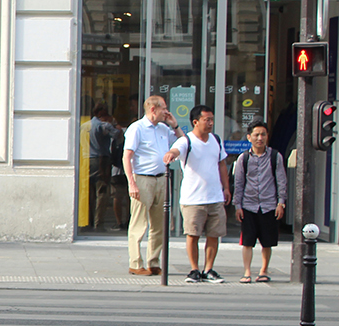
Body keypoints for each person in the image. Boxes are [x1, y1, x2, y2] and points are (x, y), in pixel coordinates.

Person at [163, 105, 231, 284]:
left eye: (211, 119)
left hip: (215, 196)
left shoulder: (216, 140)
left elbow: (222, 164)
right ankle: (194, 269)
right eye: (206, 120)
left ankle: (208, 269)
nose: (210, 123)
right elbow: (176, 149)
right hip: (193, 198)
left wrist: (226, 188)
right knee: (192, 234)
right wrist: (171, 154)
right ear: (195, 122)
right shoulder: (187, 141)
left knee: (214, 235)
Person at [123, 95, 184, 275]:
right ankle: (135, 263)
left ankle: (154, 261)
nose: (166, 111)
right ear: (153, 109)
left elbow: (183, 142)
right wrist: (131, 183)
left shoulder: (164, 129)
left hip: (162, 178)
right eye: (163, 108)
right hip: (143, 179)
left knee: (159, 224)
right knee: (139, 223)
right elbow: (127, 156)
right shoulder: (137, 128)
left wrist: (175, 125)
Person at [232, 120, 287, 283]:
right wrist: (238, 206)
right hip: (248, 205)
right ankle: (247, 272)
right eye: (256, 135)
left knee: (267, 242)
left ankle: (263, 270)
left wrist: (280, 202)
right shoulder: (244, 158)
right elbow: (239, 183)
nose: (260, 138)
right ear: (249, 137)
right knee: (247, 242)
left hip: (269, 205)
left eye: (263, 134)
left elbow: (281, 181)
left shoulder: (275, 156)